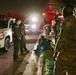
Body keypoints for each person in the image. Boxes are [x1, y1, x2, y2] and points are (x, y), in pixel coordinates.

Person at [54, 5, 76, 75]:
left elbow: (62, 38)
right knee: (72, 71)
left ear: (64, 12)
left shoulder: (67, 22)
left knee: (59, 70)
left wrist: (56, 51)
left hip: (67, 52)